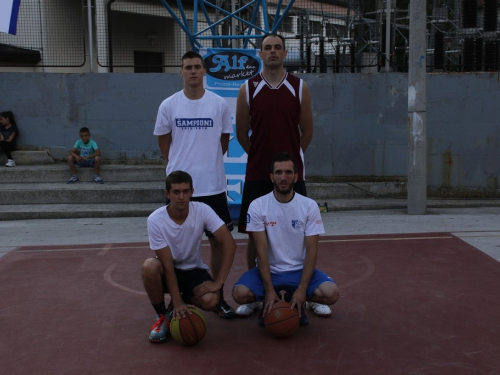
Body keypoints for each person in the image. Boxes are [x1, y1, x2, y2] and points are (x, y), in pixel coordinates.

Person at [235, 33, 329, 316]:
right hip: (257, 173)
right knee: (254, 237)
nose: (272, 51)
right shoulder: (247, 88)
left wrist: (291, 161)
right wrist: (261, 158)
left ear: (284, 53)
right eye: (267, 48)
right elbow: (241, 134)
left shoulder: (300, 87)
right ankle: (256, 293)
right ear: (260, 54)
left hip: (291, 174)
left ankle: (308, 291)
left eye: (277, 47)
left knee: (300, 232)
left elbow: (307, 131)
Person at [153, 50, 236, 318]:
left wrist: (206, 162)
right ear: (181, 72)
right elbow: (164, 142)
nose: (192, 71)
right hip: (181, 187)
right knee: (176, 244)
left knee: (217, 243)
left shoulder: (219, 104)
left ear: (204, 71)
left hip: (211, 185)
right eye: (188, 67)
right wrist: (179, 163)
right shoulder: (168, 105)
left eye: (197, 67)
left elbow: (224, 141)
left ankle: (218, 293)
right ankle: (175, 297)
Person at [232, 153, 339, 326]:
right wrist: (268, 290)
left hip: (297, 270)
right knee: (240, 294)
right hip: (270, 271)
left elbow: (312, 250)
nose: (283, 177)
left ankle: (296, 297)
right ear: (271, 176)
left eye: (288, 172)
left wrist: (302, 289)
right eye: (279, 172)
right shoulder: (258, 205)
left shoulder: (309, 206)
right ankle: (266, 301)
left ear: (296, 177)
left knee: (331, 294)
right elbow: (260, 250)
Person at [142, 170, 236, 343]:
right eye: (176, 192)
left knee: (212, 300)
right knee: (149, 266)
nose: (181, 197)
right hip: (169, 269)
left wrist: (218, 283)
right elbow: (168, 264)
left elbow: (229, 243)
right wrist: (176, 301)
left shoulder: (202, 209)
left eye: (186, 191)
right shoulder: (155, 219)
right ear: (167, 194)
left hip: (194, 270)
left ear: (192, 192)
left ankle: (183, 302)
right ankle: (162, 315)